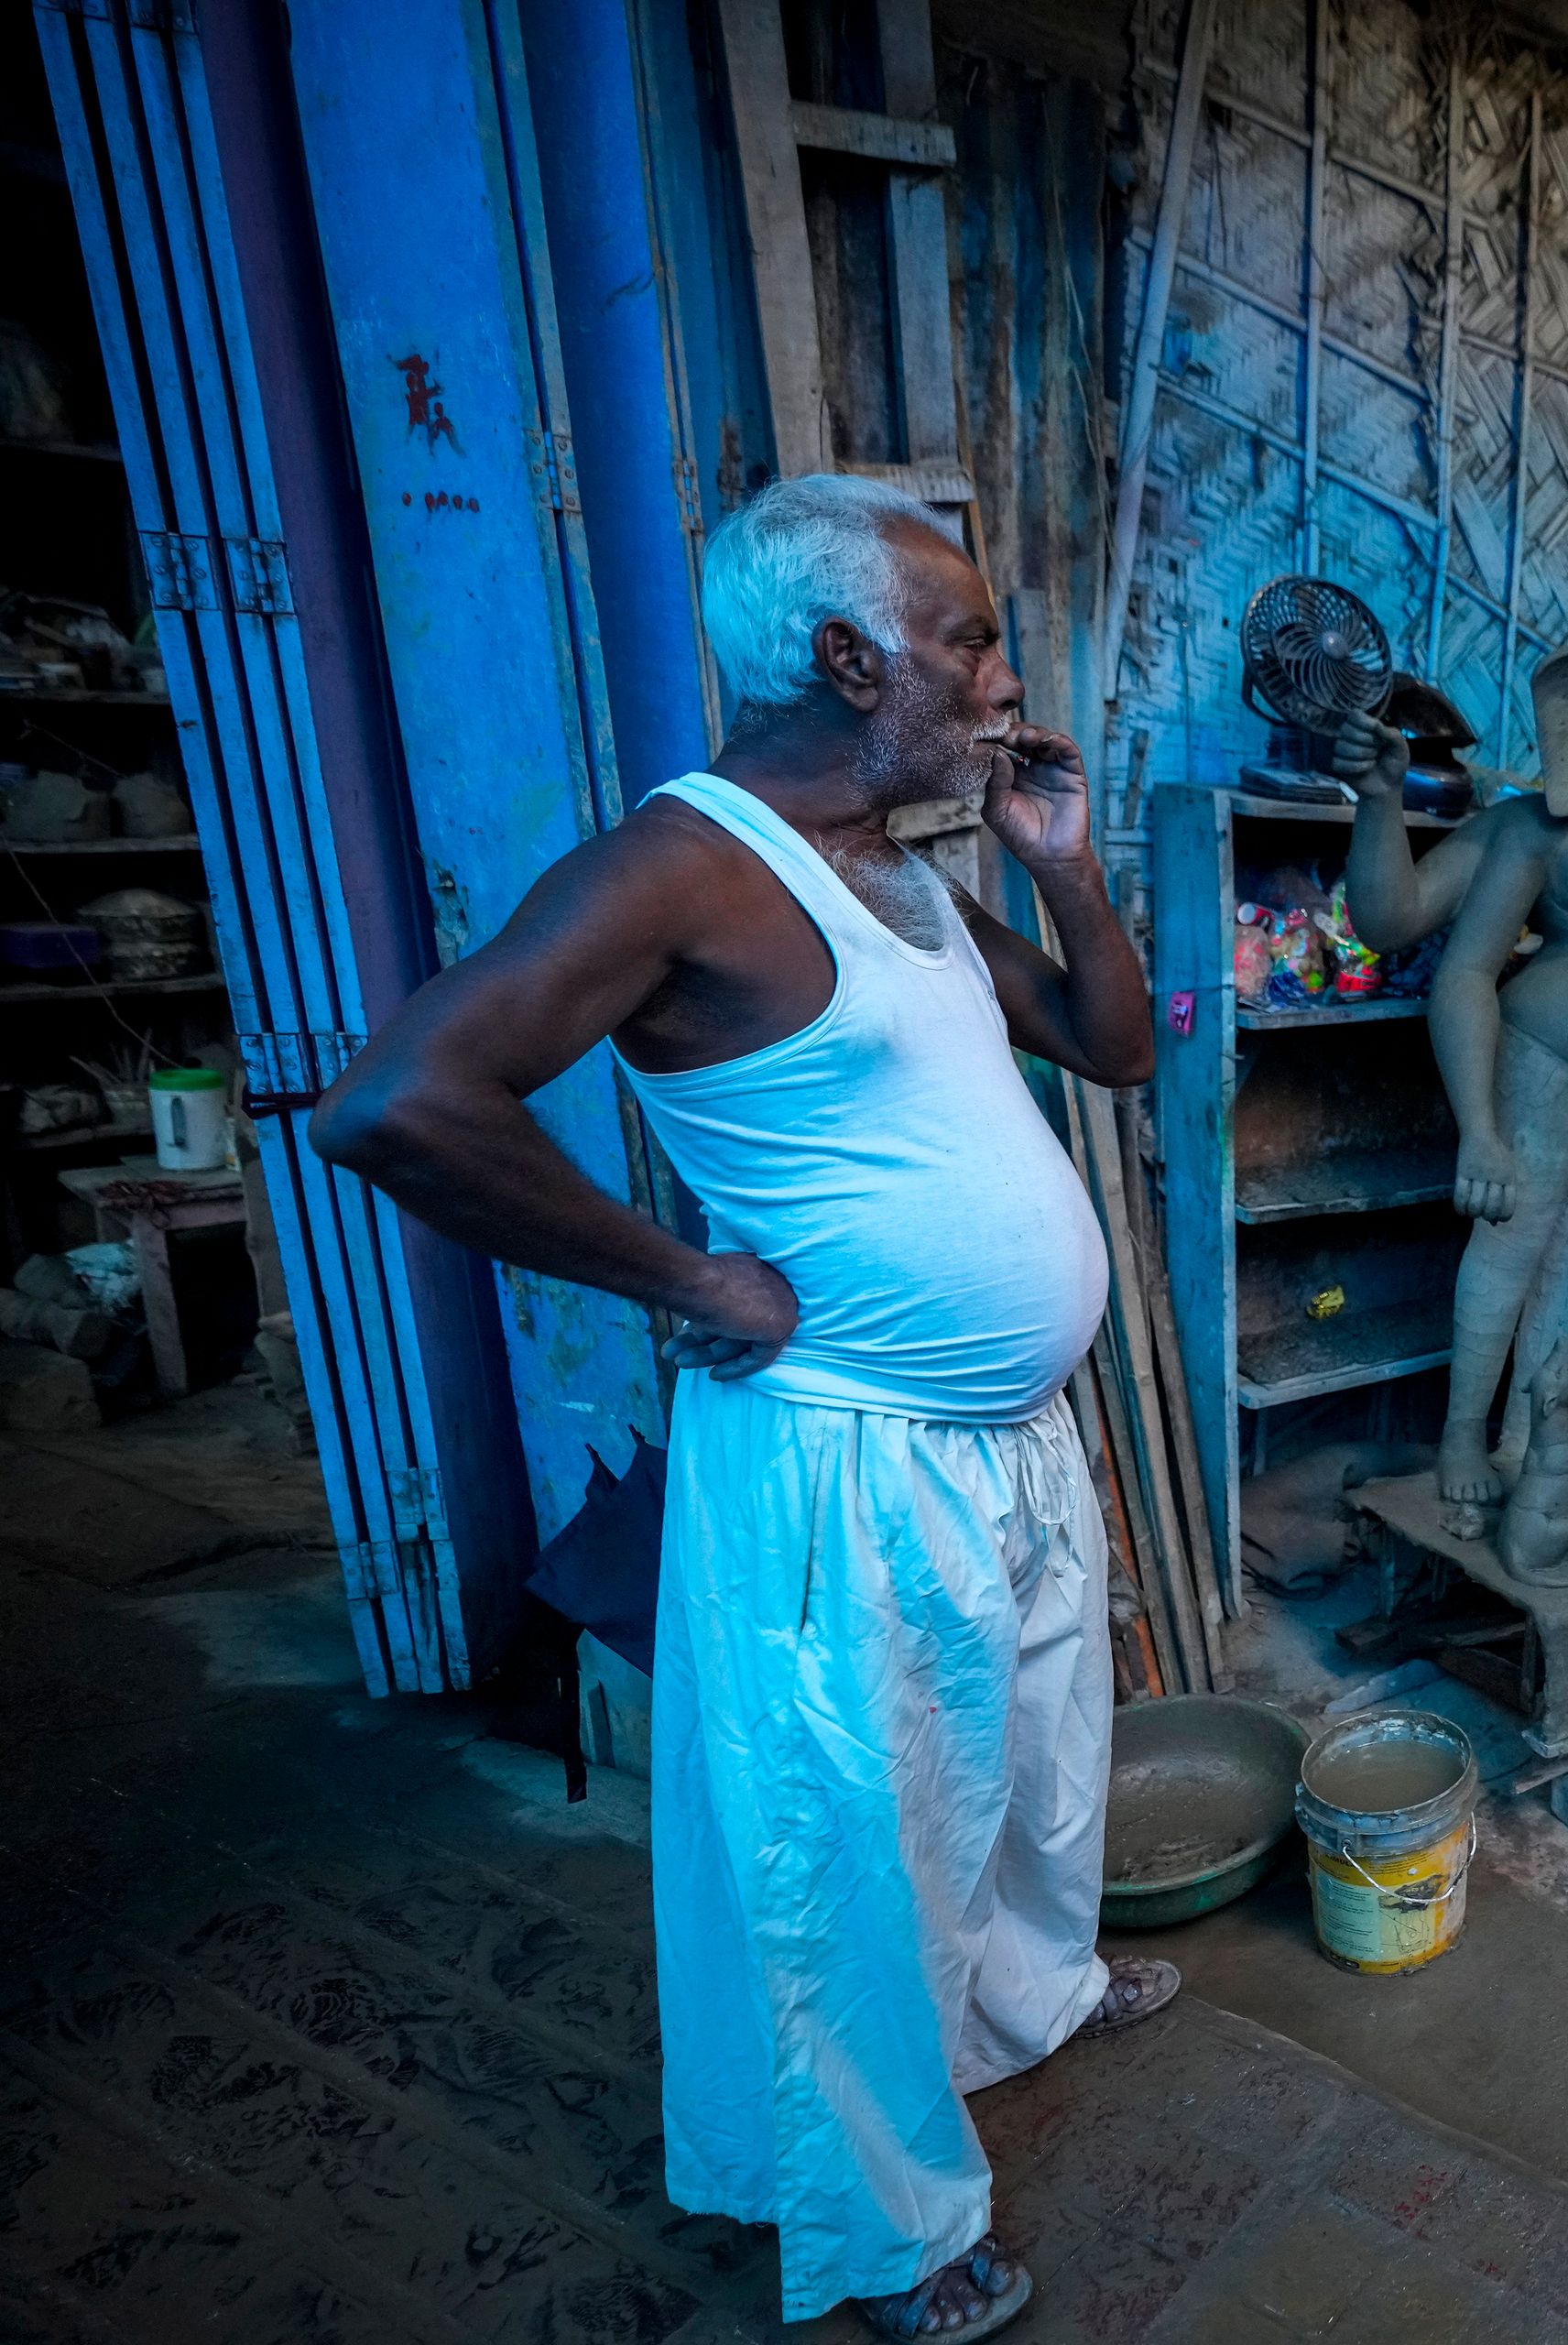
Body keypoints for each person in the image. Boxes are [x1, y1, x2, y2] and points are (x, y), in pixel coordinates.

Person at [310, 474, 1169, 2342]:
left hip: (1002, 1440)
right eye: (966, 640)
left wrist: (1065, 858)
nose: (998, 672)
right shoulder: (683, 867)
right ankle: (887, 2227)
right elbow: (396, 1100)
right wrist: (684, 1275)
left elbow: (1111, 1043)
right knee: (852, 1836)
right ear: (848, 657)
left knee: (1017, 1763)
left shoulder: (912, 869)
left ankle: (1025, 1998)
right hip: (843, 1455)